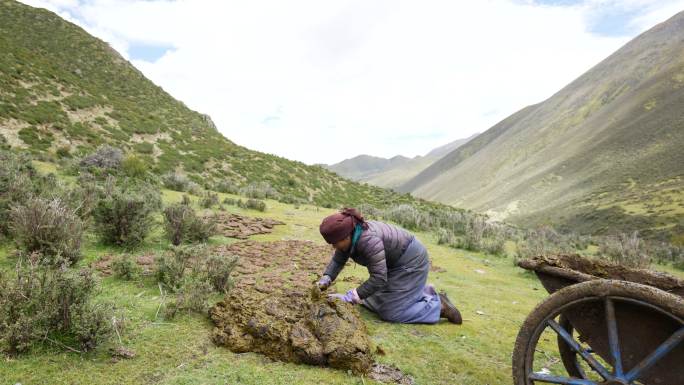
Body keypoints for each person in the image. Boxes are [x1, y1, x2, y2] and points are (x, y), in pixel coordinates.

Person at [317, 207, 462, 324]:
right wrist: (326, 278)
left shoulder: (368, 240)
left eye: (335, 243)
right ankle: (419, 292)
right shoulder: (351, 237)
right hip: (393, 263)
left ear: (346, 235)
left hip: (411, 262)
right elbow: (338, 260)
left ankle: (439, 307)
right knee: (371, 301)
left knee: (391, 312)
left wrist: (351, 297)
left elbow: (379, 278)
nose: (334, 247)